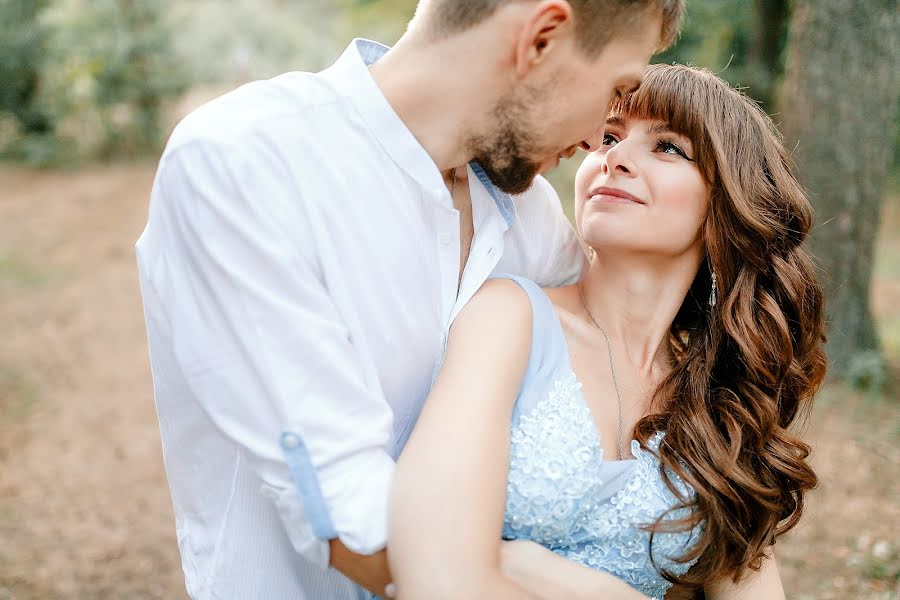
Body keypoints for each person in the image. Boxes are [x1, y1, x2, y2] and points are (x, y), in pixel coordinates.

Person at [135, 1, 686, 598]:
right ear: (542, 36)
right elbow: (356, 519)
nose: (592, 140)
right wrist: (580, 586)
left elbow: (625, 361)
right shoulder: (245, 161)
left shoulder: (530, 216)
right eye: (615, 90)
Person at [388, 63, 827, 599]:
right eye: (611, 136)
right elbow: (430, 547)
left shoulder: (724, 400)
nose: (614, 158)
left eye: (668, 148)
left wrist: (541, 572)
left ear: (727, 201)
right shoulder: (508, 318)